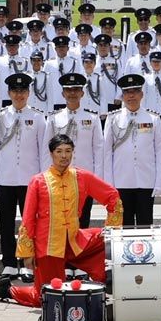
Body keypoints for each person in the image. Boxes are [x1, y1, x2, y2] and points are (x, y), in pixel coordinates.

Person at [0, 134, 123, 307]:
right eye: (59, 151)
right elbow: (28, 218)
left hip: (76, 241)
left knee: (108, 241)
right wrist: (27, 252)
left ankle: (108, 287)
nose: (64, 156)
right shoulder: (38, 181)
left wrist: (112, 229)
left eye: (68, 151)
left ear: (73, 153)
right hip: (48, 246)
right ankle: (8, 290)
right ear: (51, 154)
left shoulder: (82, 177)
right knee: (47, 297)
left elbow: (112, 196)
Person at [0, 73, 48, 282]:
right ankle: (9, 263)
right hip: (5, 178)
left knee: (29, 223)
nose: (19, 95)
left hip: (30, 180)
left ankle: (27, 263)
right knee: (5, 222)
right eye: (15, 91)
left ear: (29, 93)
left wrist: (43, 181)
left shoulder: (39, 117)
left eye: (23, 91)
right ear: (9, 93)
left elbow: (43, 151)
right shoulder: (0, 117)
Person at [103, 74, 161, 226]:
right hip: (121, 180)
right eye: (127, 92)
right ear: (122, 96)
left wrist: (159, 182)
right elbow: (106, 153)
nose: (131, 96)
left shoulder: (153, 119)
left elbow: (160, 151)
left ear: (141, 94)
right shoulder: (113, 119)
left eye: (135, 91)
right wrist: (109, 183)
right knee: (124, 225)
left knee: (145, 223)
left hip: (146, 180)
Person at [43, 73, 104, 230]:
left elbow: (98, 149)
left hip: (84, 177)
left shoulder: (92, 118)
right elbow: (46, 149)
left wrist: (96, 178)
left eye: (76, 90)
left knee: (83, 220)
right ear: (63, 93)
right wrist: (46, 176)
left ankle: (80, 254)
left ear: (82, 93)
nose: (72, 93)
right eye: (68, 90)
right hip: (60, 176)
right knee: (61, 219)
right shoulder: (54, 119)